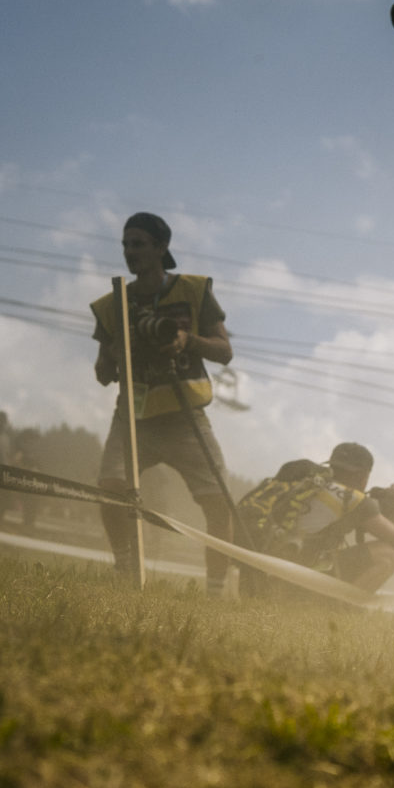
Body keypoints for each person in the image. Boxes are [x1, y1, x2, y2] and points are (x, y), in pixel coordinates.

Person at [89, 213, 235, 596]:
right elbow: (103, 373)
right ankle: (125, 569)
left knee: (219, 505)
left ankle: (215, 591)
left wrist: (187, 340)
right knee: (110, 488)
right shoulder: (113, 303)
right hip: (134, 417)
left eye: (138, 244)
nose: (129, 252)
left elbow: (224, 351)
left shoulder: (194, 290)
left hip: (186, 418)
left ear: (161, 247)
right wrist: (114, 354)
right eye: (125, 245)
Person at [237, 442, 394, 596]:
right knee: (387, 555)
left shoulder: (306, 484)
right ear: (363, 476)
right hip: (289, 584)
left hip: (256, 575)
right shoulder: (351, 498)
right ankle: (343, 610)